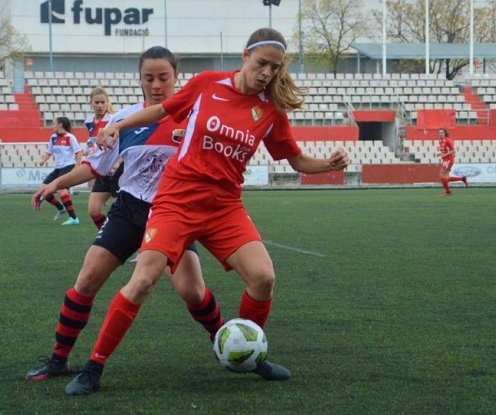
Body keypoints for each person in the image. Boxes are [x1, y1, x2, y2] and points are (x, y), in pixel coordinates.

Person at [63, 27, 350, 396]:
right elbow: (162, 110)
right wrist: (118, 124)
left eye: (275, 68)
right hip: (177, 201)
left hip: (224, 206)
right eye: (262, 63)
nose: (267, 73)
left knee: (263, 277)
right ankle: (93, 367)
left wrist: (327, 164)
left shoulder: (270, 110)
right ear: (245, 55)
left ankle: (247, 352)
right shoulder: (207, 84)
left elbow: (294, 160)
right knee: (144, 280)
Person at [26, 46, 225, 385]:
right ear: (140, 79)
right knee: (87, 280)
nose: (156, 85)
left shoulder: (196, 118)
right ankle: (59, 360)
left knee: (192, 291)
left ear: (177, 77)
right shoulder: (124, 121)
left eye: (164, 77)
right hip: (129, 210)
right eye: (149, 78)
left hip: (173, 215)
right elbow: (93, 166)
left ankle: (227, 344)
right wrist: (57, 182)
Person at [84, 86, 124, 230]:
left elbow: (123, 143)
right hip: (101, 173)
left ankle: (137, 245)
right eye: (97, 102)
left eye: (102, 102)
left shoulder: (114, 120)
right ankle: (109, 238)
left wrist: (118, 162)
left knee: (124, 213)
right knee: (94, 211)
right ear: (91, 104)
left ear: (107, 103)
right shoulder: (89, 123)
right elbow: (92, 146)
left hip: (117, 172)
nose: (100, 106)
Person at [37, 117, 83, 225]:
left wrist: (77, 167)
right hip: (58, 168)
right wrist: (43, 160)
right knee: (43, 190)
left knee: (62, 190)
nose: (52, 126)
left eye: (54, 124)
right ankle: (60, 208)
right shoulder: (53, 138)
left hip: (68, 167)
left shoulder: (70, 137)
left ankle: (73, 218)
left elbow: (79, 152)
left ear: (60, 125)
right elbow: (49, 151)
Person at [436, 128, 467, 196]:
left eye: (442, 132)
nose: (440, 134)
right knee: (446, 178)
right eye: (439, 133)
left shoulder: (448, 141)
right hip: (445, 159)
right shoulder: (440, 141)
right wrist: (441, 154)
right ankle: (462, 178)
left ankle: (448, 192)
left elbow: (453, 151)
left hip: (448, 160)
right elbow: (445, 150)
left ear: (445, 133)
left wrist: (444, 155)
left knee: (441, 175)